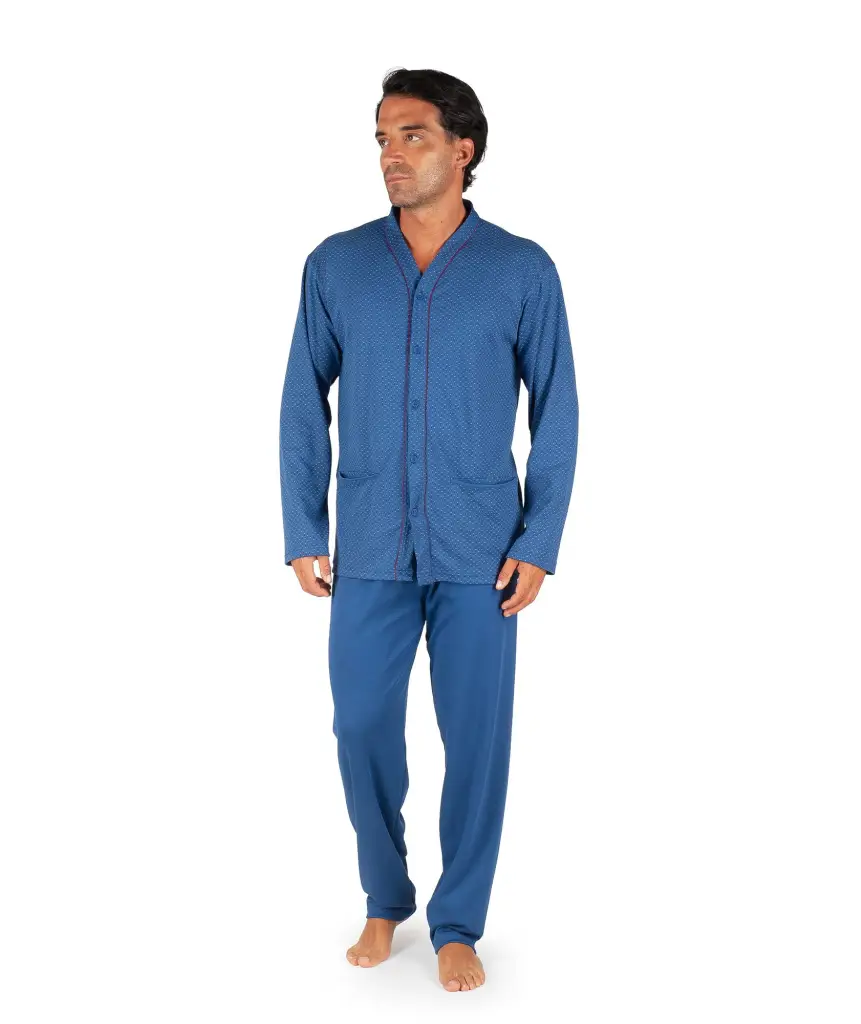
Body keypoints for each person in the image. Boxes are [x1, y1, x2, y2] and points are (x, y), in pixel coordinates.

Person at [278, 67, 579, 992]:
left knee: (476, 741)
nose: (391, 155)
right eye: (381, 138)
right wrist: (303, 525)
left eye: (411, 135)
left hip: (483, 551)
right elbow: (301, 399)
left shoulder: (521, 270)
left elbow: (559, 410)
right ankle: (385, 894)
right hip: (368, 541)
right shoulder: (336, 266)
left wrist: (538, 540)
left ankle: (458, 921)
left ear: (463, 148)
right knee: (361, 725)